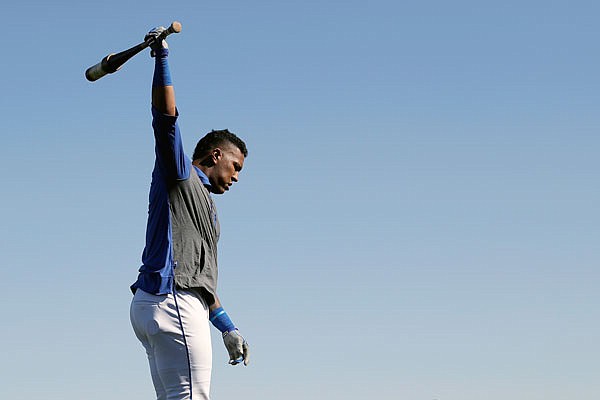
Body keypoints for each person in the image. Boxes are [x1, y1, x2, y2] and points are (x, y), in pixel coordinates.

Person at [129, 26, 250, 400]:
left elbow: (202, 281)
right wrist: (162, 58)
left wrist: (227, 327)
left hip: (158, 304)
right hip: (172, 301)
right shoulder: (180, 174)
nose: (235, 177)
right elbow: (165, 120)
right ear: (215, 156)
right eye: (235, 167)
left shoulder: (204, 206)